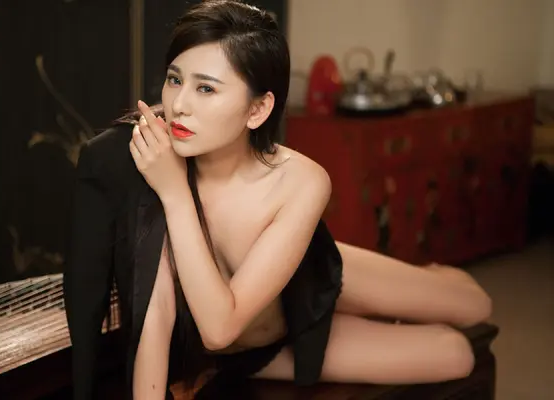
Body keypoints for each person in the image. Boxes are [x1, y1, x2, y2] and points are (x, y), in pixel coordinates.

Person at [63, 1, 493, 399]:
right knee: (454, 353)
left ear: (258, 110)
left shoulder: (300, 180)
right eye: (175, 80)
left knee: (475, 305)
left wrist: (175, 192)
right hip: (253, 348)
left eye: (206, 89)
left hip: (310, 280)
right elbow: (169, 317)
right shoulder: (152, 159)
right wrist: (171, 188)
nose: (178, 106)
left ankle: (428, 278)